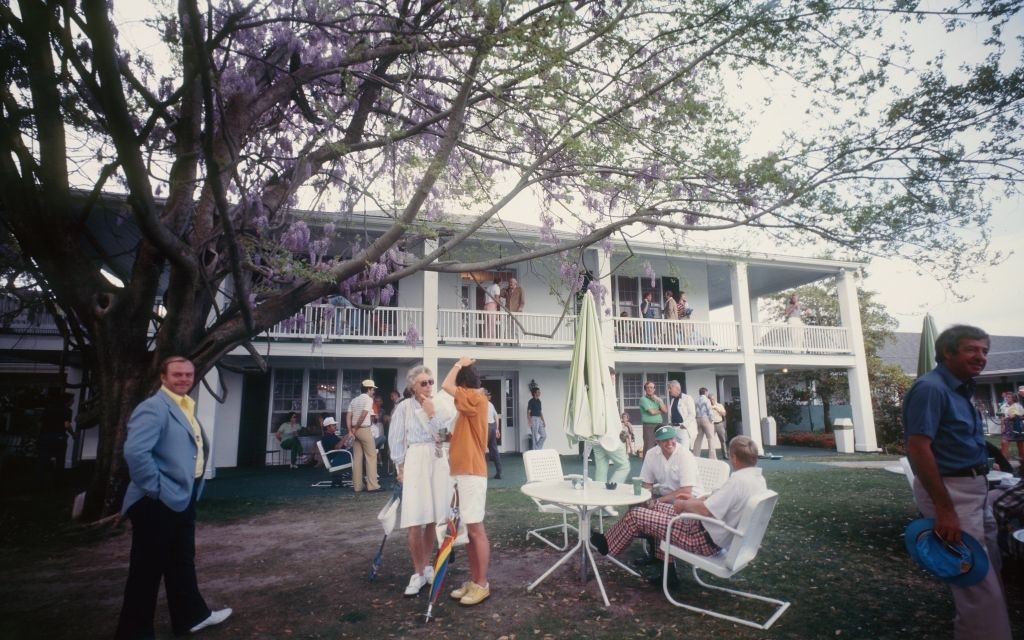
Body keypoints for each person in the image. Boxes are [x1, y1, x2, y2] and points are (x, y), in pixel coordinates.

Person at [903, 324, 1012, 640]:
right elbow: (918, 447)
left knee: (989, 568)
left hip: (976, 490)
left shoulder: (961, 388)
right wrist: (944, 510)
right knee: (976, 583)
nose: (981, 357)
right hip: (951, 492)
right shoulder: (931, 388)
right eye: (971, 350)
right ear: (947, 353)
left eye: (984, 351)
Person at [115, 356, 231, 639]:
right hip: (157, 501)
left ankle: (192, 616)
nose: (184, 380)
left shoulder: (184, 406)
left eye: (189, 375)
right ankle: (134, 632)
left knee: (181, 560)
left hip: (183, 496)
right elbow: (135, 453)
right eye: (177, 375)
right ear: (163, 378)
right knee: (147, 569)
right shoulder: (153, 408)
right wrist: (157, 489)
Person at [591, 436, 766, 583]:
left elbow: (705, 511)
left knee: (636, 515)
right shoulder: (757, 480)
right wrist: (696, 500)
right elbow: (718, 504)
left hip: (702, 538)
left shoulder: (738, 482)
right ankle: (668, 575)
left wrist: (684, 505)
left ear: (734, 457)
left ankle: (607, 545)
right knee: (654, 506)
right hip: (707, 530)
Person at [388, 366, 454, 597]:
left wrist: (431, 413)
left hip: (436, 459)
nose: (428, 386)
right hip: (415, 460)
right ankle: (417, 573)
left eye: (430, 381)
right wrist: (400, 468)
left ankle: (426, 566)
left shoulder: (438, 405)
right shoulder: (403, 408)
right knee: (415, 518)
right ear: (412, 387)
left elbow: (445, 436)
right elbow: (395, 439)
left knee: (433, 518)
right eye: (423, 383)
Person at [442, 357, 492, 606]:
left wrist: (458, 364)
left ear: (464, 385)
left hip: (471, 472)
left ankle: (482, 584)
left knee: (476, 529)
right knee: (469, 532)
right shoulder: (468, 406)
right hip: (462, 471)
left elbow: (445, 385)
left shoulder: (476, 398)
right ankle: (475, 581)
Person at [638, 426, 702, 500]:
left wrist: (658, 501)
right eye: (665, 440)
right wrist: (648, 501)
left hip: (690, 499)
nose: (669, 443)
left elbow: (686, 491)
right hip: (666, 500)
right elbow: (647, 484)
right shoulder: (651, 454)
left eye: (672, 438)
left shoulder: (685, 455)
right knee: (635, 508)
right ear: (658, 443)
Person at [592, 367, 630, 486]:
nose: (614, 380)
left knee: (601, 469)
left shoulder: (593, 393)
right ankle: (610, 493)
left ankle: (599, 498)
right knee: (624, 466)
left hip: (596, 438)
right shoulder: (606, 395)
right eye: (612, 378)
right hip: (609, 437)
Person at [347, 379, 381, 492]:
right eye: (373, 389)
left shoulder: (354, 400)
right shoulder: (368, 400)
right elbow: (364, 415)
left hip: (354, 431)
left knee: (357, 458)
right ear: (368, 389)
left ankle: (357, 486)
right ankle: (372, 486)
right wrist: (356, 428)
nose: (373, 392)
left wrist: (351, 430)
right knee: (371, 457)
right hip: (363, 429)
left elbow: (348, 416)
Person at [36, 390, 74, 484]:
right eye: (72, 400)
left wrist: (41, 434)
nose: (73, 402)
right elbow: (66, 425)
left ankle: (39, 481)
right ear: (68, 401)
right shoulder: (67, 410)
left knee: (43, 459)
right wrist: (73, 434)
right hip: (59, 436)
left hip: (45, 436)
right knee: (60, 459)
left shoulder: (48, 408)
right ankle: (57, 482)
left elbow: (40, 424)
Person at [639, 381, 667, 456]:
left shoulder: (657, 399)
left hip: (659, 426)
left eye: (651, 387)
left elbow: (665, 410)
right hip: (649, 426)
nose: (649, 389)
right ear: (645, 389)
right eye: (647, 388)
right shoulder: (643, 399)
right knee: (649, 447)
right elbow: (652, 412)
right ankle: (647, 466)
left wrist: (659, 400)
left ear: (654, 389)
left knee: (659, 447)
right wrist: (661, 411)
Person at [692, 387, 721, 459]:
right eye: (707, 392)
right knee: (710, 438)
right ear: (705, 392)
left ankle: (695, 456)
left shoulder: (696, 400)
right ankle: (712, 457)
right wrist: (712, 420)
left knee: (698, 438)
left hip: (698, 419)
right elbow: (709, 410)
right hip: (706, 419)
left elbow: (694, 410)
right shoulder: (707, 400)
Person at [666, 380, 696, 449]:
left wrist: (684, 425)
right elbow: (672, 413)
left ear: (677, 388)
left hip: (683, 429)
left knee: (684, 452)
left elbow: (692, 414)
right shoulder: (673, 400)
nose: (669, 390)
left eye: (670, 388)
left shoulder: (687, 398)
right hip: (674, 428)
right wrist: (670, 422)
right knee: (676, 451)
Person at [997, 391, 1024, 465]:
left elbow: (1023, 416)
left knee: (1021, 444)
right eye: (1006, 397)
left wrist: (1015, 417)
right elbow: (1002, 417)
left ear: (1013, 398)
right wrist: (1002, 427)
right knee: (1004, 442)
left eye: (1009, 397)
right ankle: (1004, 463)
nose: (1007, 398)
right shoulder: (1003, 406)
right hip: (1007, 426)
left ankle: (1022, 463)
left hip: (1018, 427)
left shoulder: (1018, 406)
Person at [484, 389, 503, 480]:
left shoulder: (482, 404)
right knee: (494, 450)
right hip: (492, 427)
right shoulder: (490, 405)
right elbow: (496, 417)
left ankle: (482, 473)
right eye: (488, 395)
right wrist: (497, 429)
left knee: (481, 450)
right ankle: (499, 472)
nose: (490, 396)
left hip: (486, 427)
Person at [709, 394, 729, 460]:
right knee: (711, 440)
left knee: (723, 440)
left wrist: (716, 408)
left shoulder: (720, 405)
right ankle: (712, 456)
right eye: (711, 399)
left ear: (715, 399)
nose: (712, 401)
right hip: (711, 425)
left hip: (719, 424)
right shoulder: (708, 406)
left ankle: (725, 455)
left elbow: (724, 414)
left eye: (713, 399)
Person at [484, 277, 501, 341]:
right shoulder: (496, 287)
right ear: (499, 282)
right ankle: (492, 342)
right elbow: (496, 298)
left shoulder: (488, 287)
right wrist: (500, 303)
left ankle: (486, 341)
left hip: (486, 306)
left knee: (487, 325)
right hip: (492, 306)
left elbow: (484, 299)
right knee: (492, 324)